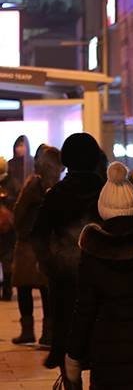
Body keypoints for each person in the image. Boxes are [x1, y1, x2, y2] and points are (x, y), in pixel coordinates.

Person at [63, 162, 133, 389]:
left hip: (109, 355)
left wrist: (73, 355)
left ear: (103, 207)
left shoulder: (93, 252)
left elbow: (84, 309)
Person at [30, 133, 105, 371]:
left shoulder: (57, 193)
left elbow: (38, 234)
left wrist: (49, 263)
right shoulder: (106, 192)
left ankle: (66, 370)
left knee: (66, 324)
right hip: (102, 273)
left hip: (65, 275)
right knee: (99, 332)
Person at [10, 145, 60, 346]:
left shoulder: (33, 184)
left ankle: (27, 331)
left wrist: (20, 229)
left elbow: (19, 211)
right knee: (47, 289)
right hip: (48, 242)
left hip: (28, 243)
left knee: (24, 287)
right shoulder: (57, 185)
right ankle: (49, 333)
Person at [0, 156, 19, 301]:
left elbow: (17, 203)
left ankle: (7, 291)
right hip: (7, 228)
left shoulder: (12, 183)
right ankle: (7, 290)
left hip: (7, 229)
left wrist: (6, 199)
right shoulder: (13, 182)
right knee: (7, 260)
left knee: (7, 260)